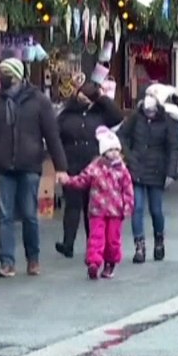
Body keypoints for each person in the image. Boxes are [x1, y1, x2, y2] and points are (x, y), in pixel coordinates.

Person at [0, 57, 69, 278]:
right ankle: (7, 262)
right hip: (3, 167)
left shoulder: (38, 101)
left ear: (19, 76)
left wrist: (61, 168)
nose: (3, 78)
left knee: (29, 214)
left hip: (29, 165)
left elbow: (52, 135)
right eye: (1, 74)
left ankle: (33, 259)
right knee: (5, 216)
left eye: (7, 74)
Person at [55, 74, 123, 259]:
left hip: (95, 165)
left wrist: (100, 97)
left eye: (88, 97)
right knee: (72, 204)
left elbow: (117, 116)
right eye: (81, 95)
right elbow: (56, 135)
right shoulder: (67, 113)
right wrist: (59, 164)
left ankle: (92, 245)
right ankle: (68, 243)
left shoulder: (100, 113)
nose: (84, 99)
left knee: (91, 206)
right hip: (72, 163)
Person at [59, 126, 134, 280]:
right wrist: (68, 181)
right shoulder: (95, 168)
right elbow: (82, 180)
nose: (114, 153)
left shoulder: (122, 170)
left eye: (116, 149)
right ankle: (94, 262)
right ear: (103, 152)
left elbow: (127, 189)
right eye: (110, 149)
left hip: (115, 211)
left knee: (113, 239)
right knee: (96, 237)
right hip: (97, 210)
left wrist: (128, 205)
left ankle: (110, 262)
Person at [120, 83, 178, 263]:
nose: (149, 114)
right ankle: (140, 246)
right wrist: (129, 155)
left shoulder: (168, 122)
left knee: (156, 210)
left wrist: (171, 173)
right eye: (147, 111)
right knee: (136, 208)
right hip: (137, 167)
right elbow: (121, 135)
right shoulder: (135, 118)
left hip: (157, 169)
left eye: (152, 111)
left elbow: (173, 149)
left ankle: (159, 240)